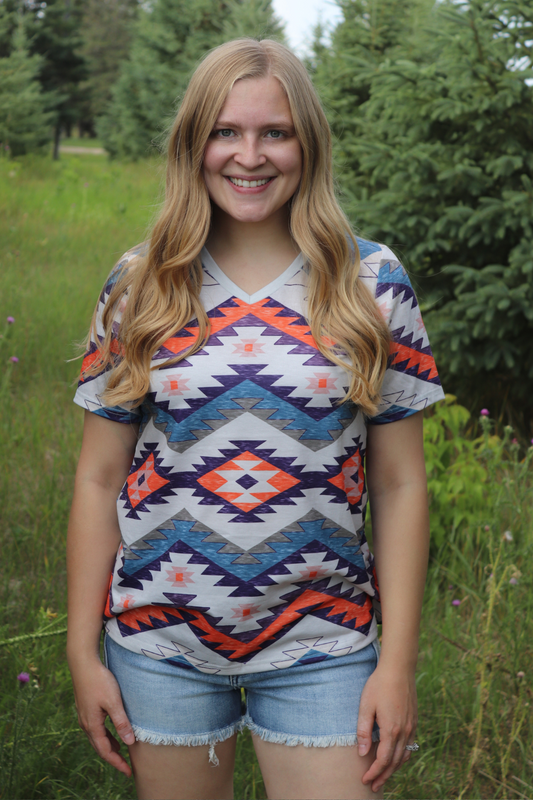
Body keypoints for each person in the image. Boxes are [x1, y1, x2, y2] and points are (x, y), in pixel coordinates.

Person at [67, 38, 445, 800]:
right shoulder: (140, 284)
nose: (249, 156)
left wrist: (396, 665)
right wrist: (82, 650)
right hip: (158, 644)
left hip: (326, 646)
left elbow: (401, 484)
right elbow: (98, 474)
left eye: (274, 132)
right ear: (193, 144)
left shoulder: (372, 281)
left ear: (307, 142)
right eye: (225, 132)